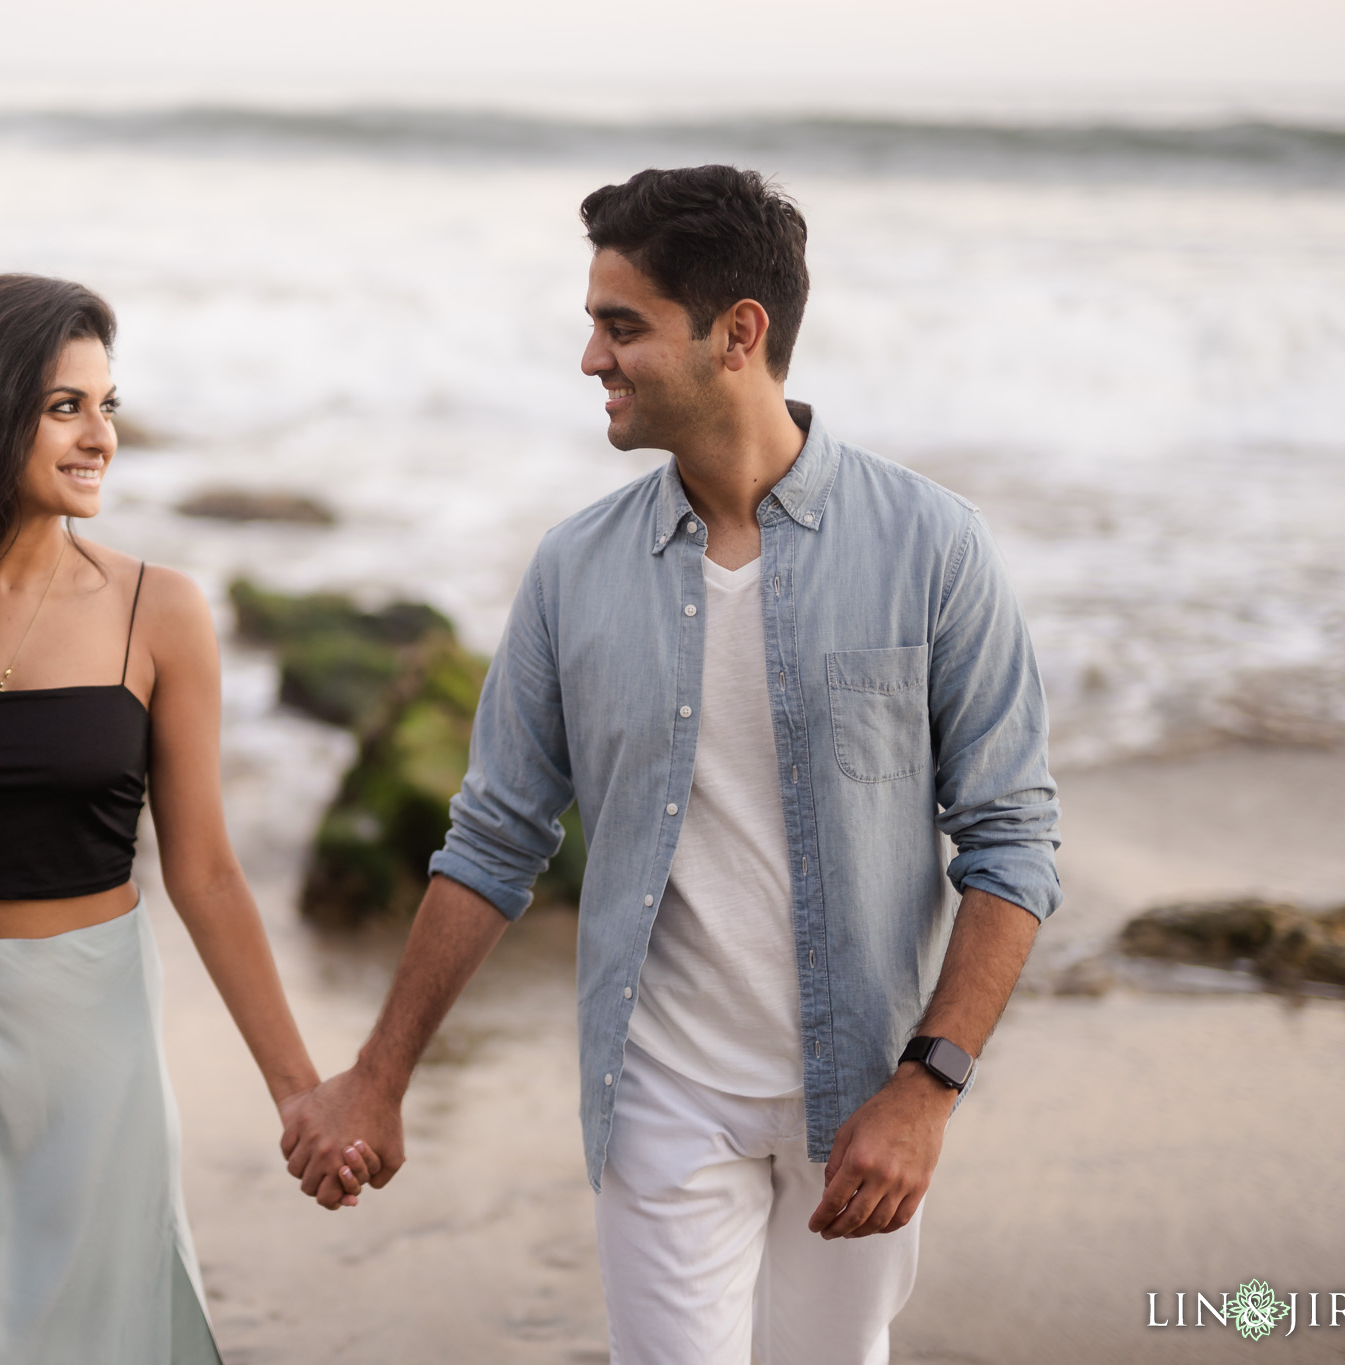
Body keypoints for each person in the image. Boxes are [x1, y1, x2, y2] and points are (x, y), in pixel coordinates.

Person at [282, 167, 1061, 1362]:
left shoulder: (931, 548)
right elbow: (493, 838)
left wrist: (924, 1092)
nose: (590, 358)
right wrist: (376, 1078)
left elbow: (1009, 841)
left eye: (621, 325)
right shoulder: (573, 571)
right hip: (662, 1090)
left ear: (736, 335)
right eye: (594, 323)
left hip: (856, 1094)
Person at [0, 274, 372, 1363]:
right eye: (65, 407)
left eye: (108, 407)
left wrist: (301, 1092)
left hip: (92, 1043)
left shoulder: (163, 611)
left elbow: (207, 876)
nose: (101, 437)